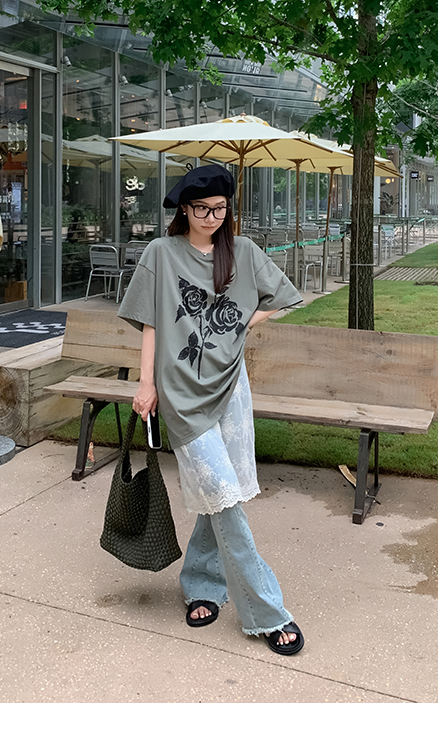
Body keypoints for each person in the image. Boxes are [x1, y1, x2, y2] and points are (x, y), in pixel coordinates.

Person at [117, 163, 305, 655]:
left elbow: (282, 295)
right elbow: (150, 323)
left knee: (221, 494)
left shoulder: (242, 251)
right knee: (222, 493)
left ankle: (202, 583)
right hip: (180, 394)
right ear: (184, 209)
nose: (212, 218)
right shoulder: (161, 253)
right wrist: (145, 383)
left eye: (220, 209)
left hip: (230, 389)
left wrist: (241, 322)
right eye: (202, 209)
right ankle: (267, 611)